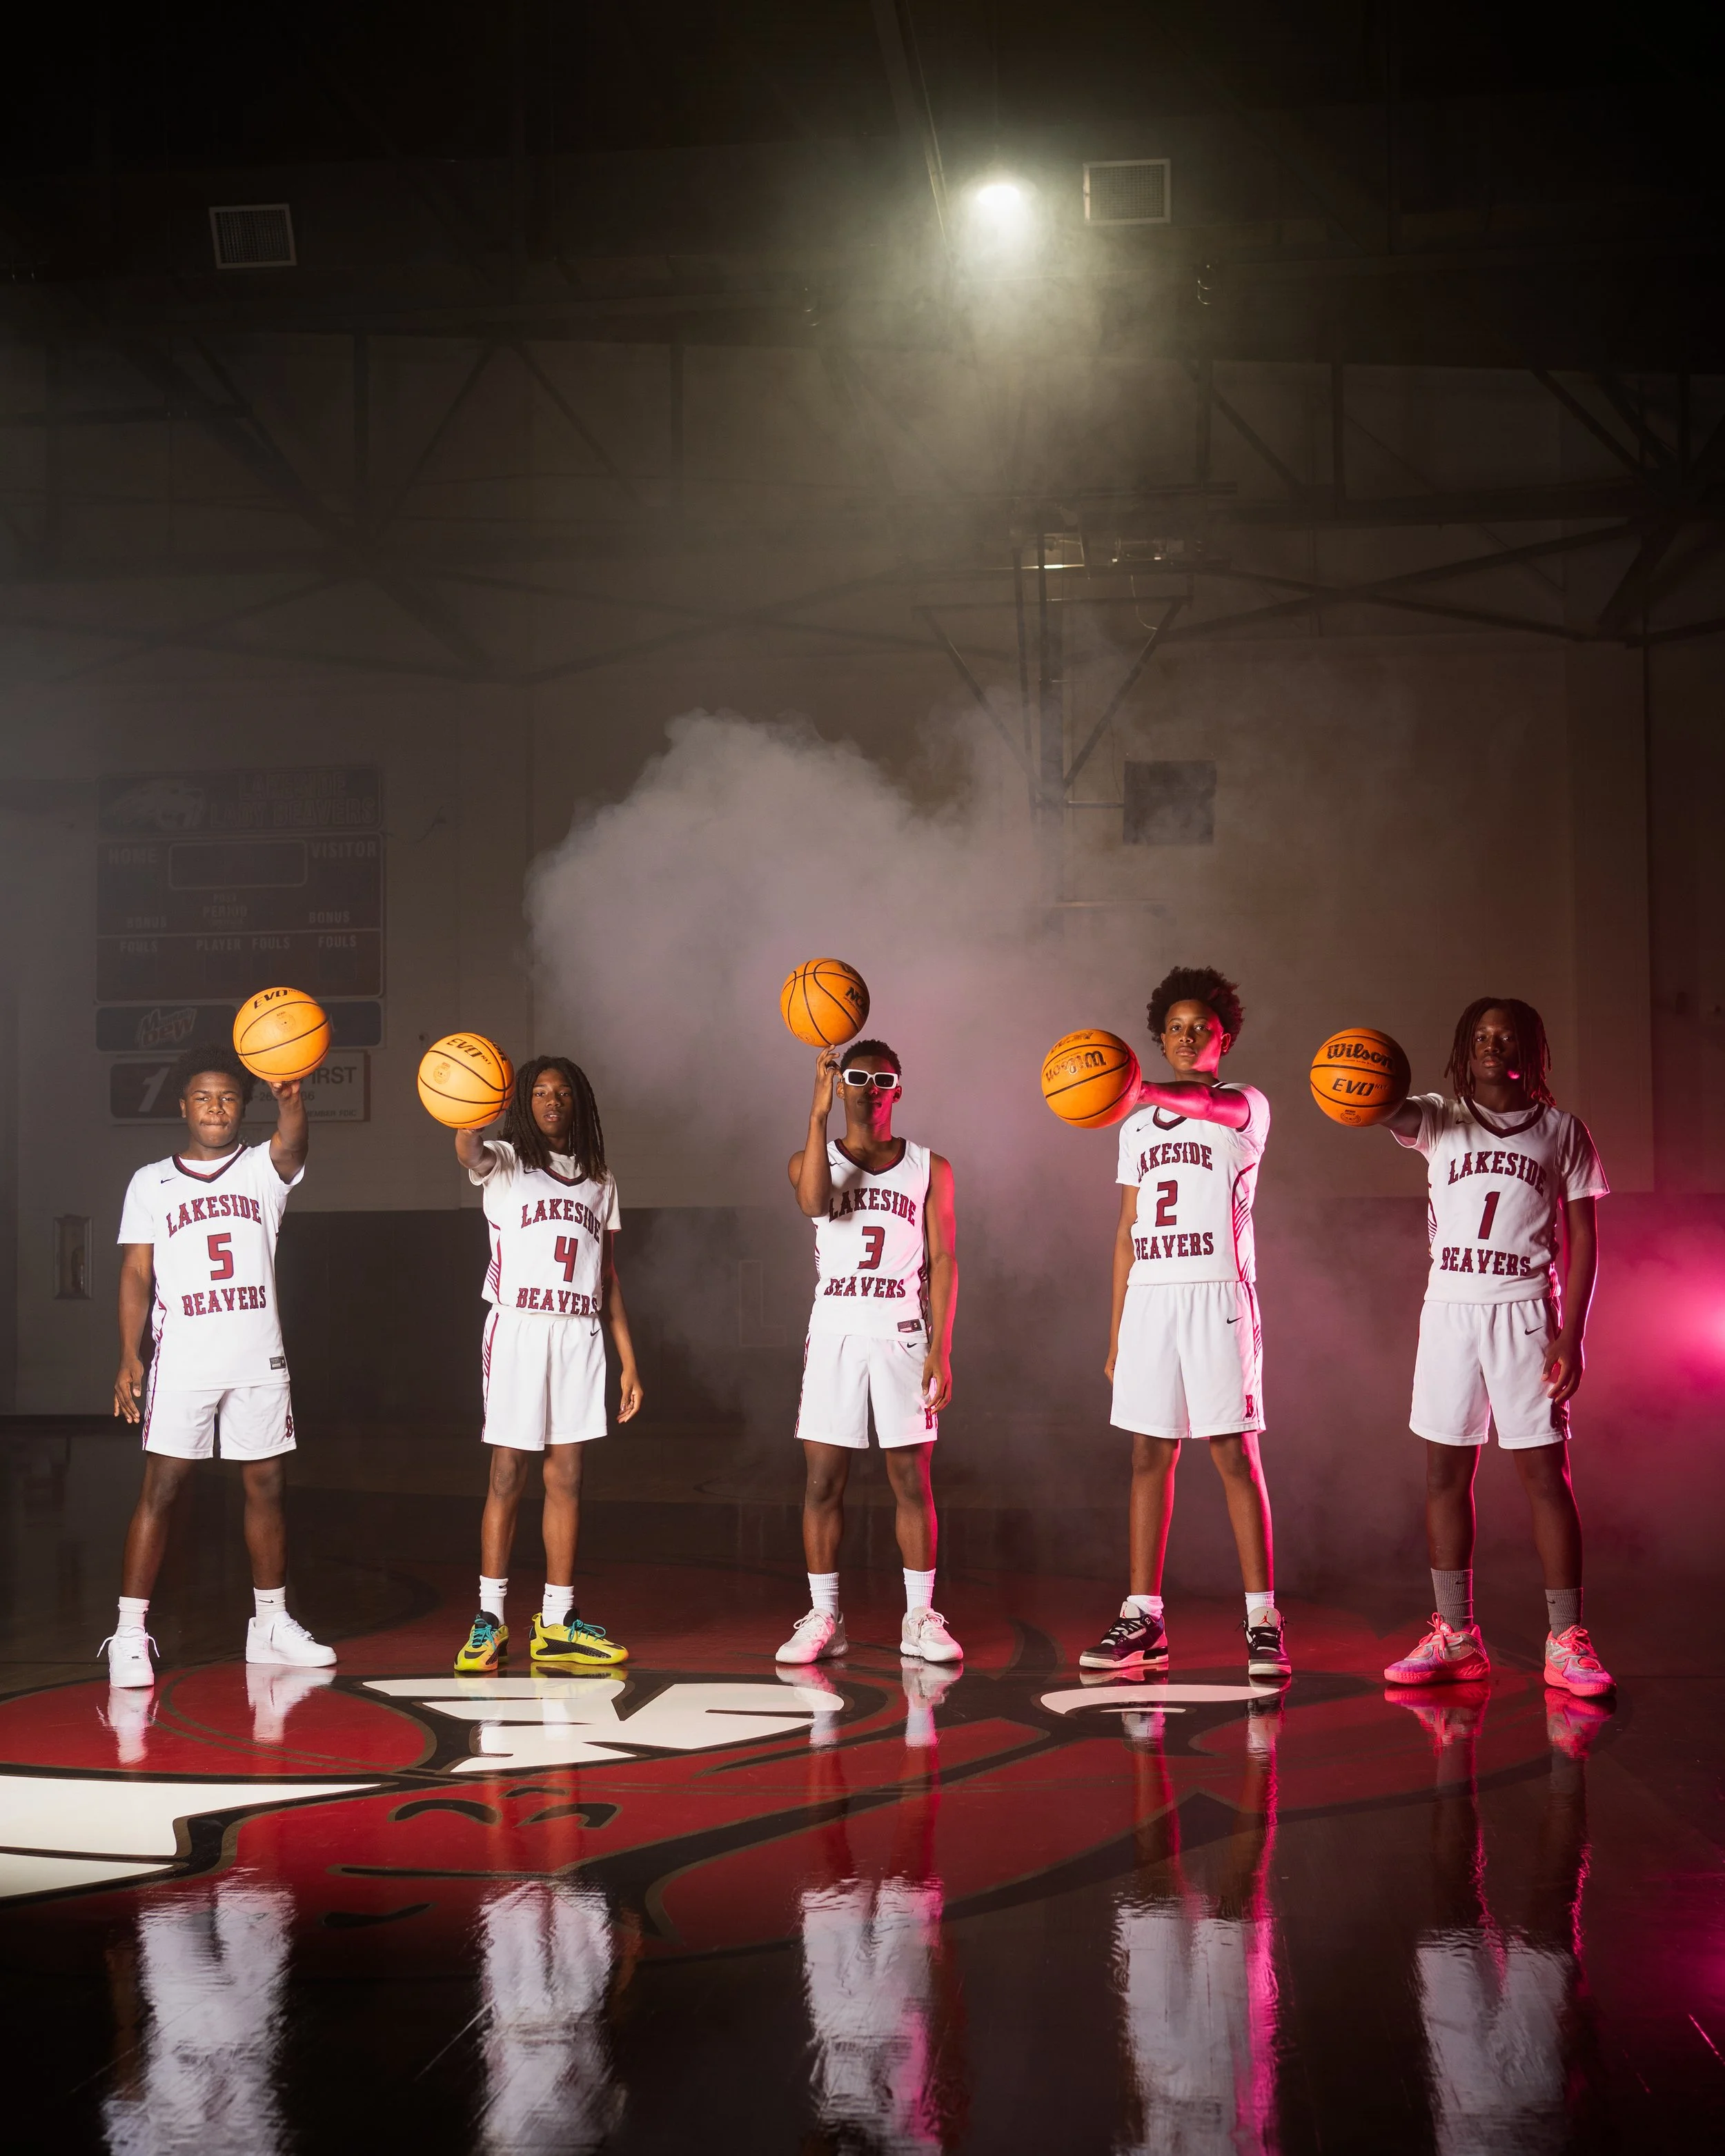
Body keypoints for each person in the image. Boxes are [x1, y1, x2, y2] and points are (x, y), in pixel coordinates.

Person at [1377, 1000, 1614, 1697]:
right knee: (1444, 1475)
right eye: (1479, 1035)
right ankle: (1455, 1635)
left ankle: (1565, 1638)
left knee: (1546, 1477)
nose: (1490, 1044)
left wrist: (1573, 1331)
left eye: (1505, 1034)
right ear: (1463, 1046)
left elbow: (1585, 1239)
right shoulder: (1436, 1117)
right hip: (1449, 1309)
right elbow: (1378, 1108)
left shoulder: (1561, 1130)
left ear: (1530, 1049)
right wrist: (1357, 1075)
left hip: (1524, 1311)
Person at [1081, 966, 1290, 1681]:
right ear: (1158, 1037)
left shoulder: (1245, 1105)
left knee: (1233, 1453)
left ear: (1223, 1037)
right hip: (1150, 1297)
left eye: (1200, 1026)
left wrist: (1133, 1085)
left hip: (1217, 1293)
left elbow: (1211, 1106)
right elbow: (1123, 1231)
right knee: (1148, 1455)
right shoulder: (1135, 1122)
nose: (1186, 1035)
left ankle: (1262, 1616)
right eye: (1173, 1027)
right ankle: (1144, 1615)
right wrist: (1115, 1334)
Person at [104, 1042, 332, 1689]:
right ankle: (128, 1632)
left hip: (257, 1354)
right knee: (163, 1488)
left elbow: (293, 1146)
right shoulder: (151, 1181)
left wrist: (292, 1101)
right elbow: (136, 1272)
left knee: (265, 1487)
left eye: (228, 1096)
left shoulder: (262, 1168)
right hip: (184, 1359)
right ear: (183, 1105)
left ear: (242, 1107)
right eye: (203, 1096)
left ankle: (270, 1624)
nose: (215, 1106)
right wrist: (129, 1355)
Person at [452, 1058, 643, 1675]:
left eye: (561, 1092)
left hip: (580, 1333)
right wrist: (468, 1104)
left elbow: (608, 1276)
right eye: (538, 1092)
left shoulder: (601, 1179)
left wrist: (628, 1361)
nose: (551, 1101)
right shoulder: (506, 1161)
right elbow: (467, 1150)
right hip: (519, 1329)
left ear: (579, 1102)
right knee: (507, 1474)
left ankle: (557, 1621)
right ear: (523, 1104)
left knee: (566, 1478)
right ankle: (488, 1619)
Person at [776, 1041, 960, 1668]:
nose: (870, 1087)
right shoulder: (812, 1158)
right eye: (857, 1077)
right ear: (841, 1083)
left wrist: (943, 1346)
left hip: (903, 1333)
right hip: (836, 1333)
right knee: (824, 1480)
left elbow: (945, 1259)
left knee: (912, 1479)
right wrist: (816, 1110)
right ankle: (826, 1614)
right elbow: (811, 1203)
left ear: (899, 1089)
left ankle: (919, 1616)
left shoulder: (931, 1166)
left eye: (883, 1079)